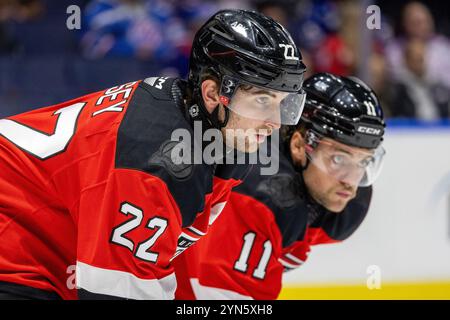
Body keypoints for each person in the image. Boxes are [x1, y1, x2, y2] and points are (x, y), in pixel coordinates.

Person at [0, 9, 306, 300]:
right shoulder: (155, 162)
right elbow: (115, 292)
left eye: (284, 103)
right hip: (13, 235)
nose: (276, 122)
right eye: (263, 100)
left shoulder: (215, 133)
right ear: (213, 94)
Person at [173, 73, 386, 300]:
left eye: (363, 162)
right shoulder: (260, 196)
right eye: (339, 159)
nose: (350, 180)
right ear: (298, 145)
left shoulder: (343, 205)